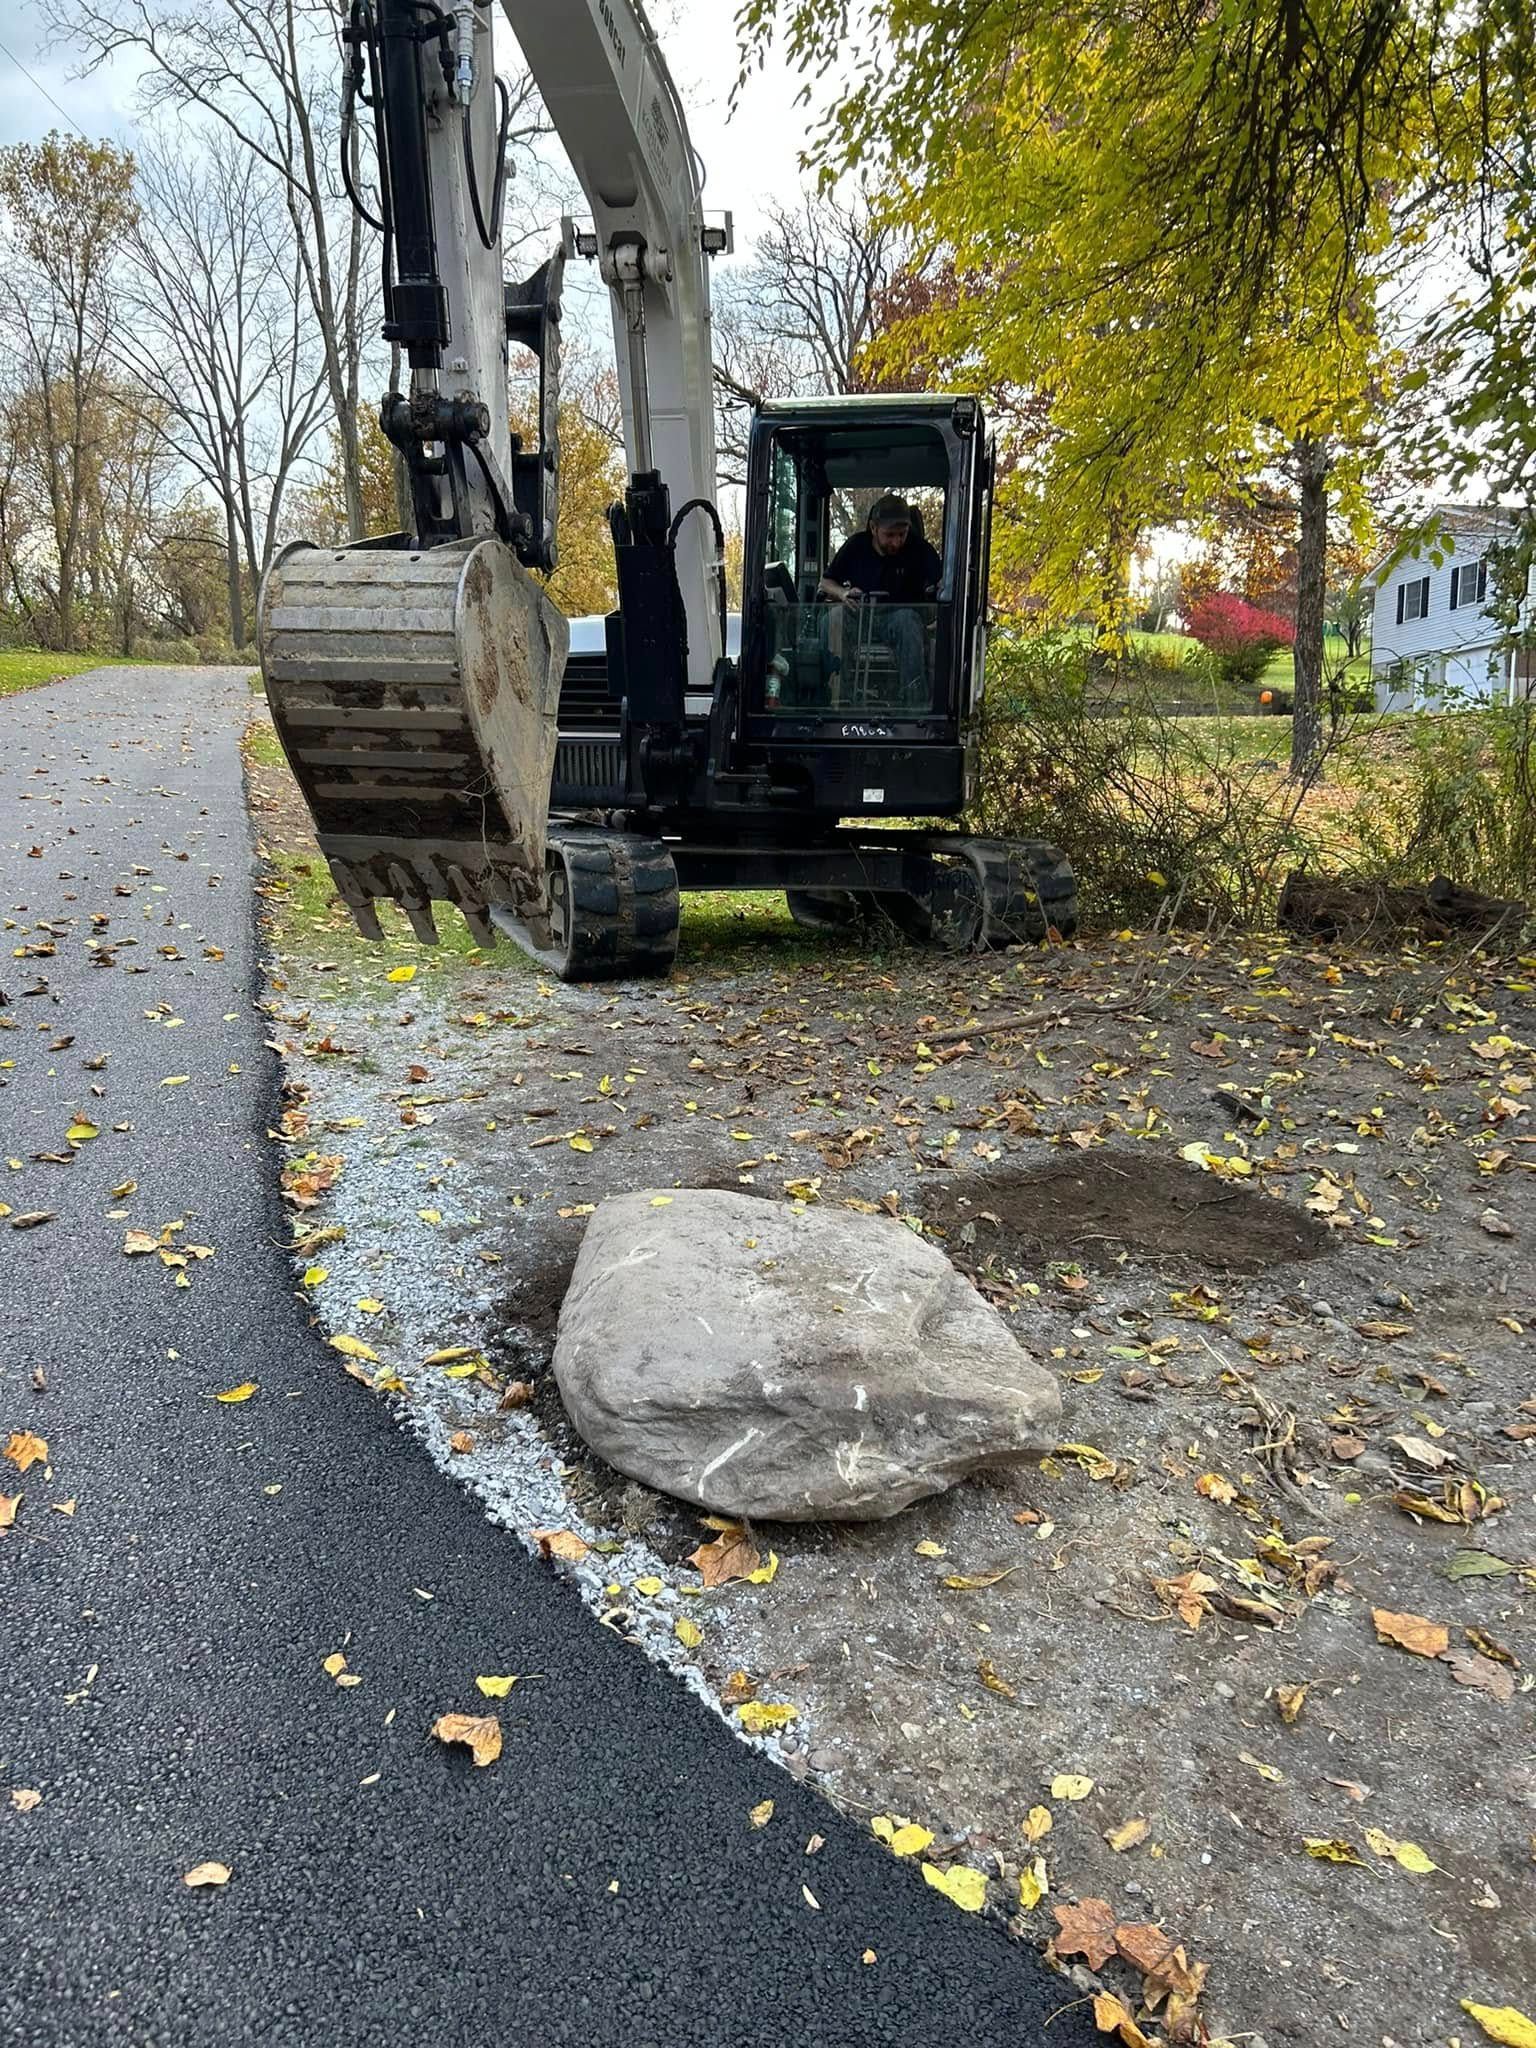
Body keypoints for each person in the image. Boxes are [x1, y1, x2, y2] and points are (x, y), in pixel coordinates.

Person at [817, 493, 941, 705]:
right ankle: (835, 699)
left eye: (902, 534)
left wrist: (939, 612)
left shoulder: (920, 550)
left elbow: (943, 584)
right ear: (874, 528)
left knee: (908, 622)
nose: (897, 542)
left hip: (900, 621)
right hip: (860, 616)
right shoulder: (855, 547)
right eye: (890, 535)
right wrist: (843, 594)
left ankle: (914, 706)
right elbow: (825, 584)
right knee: (832, 619)